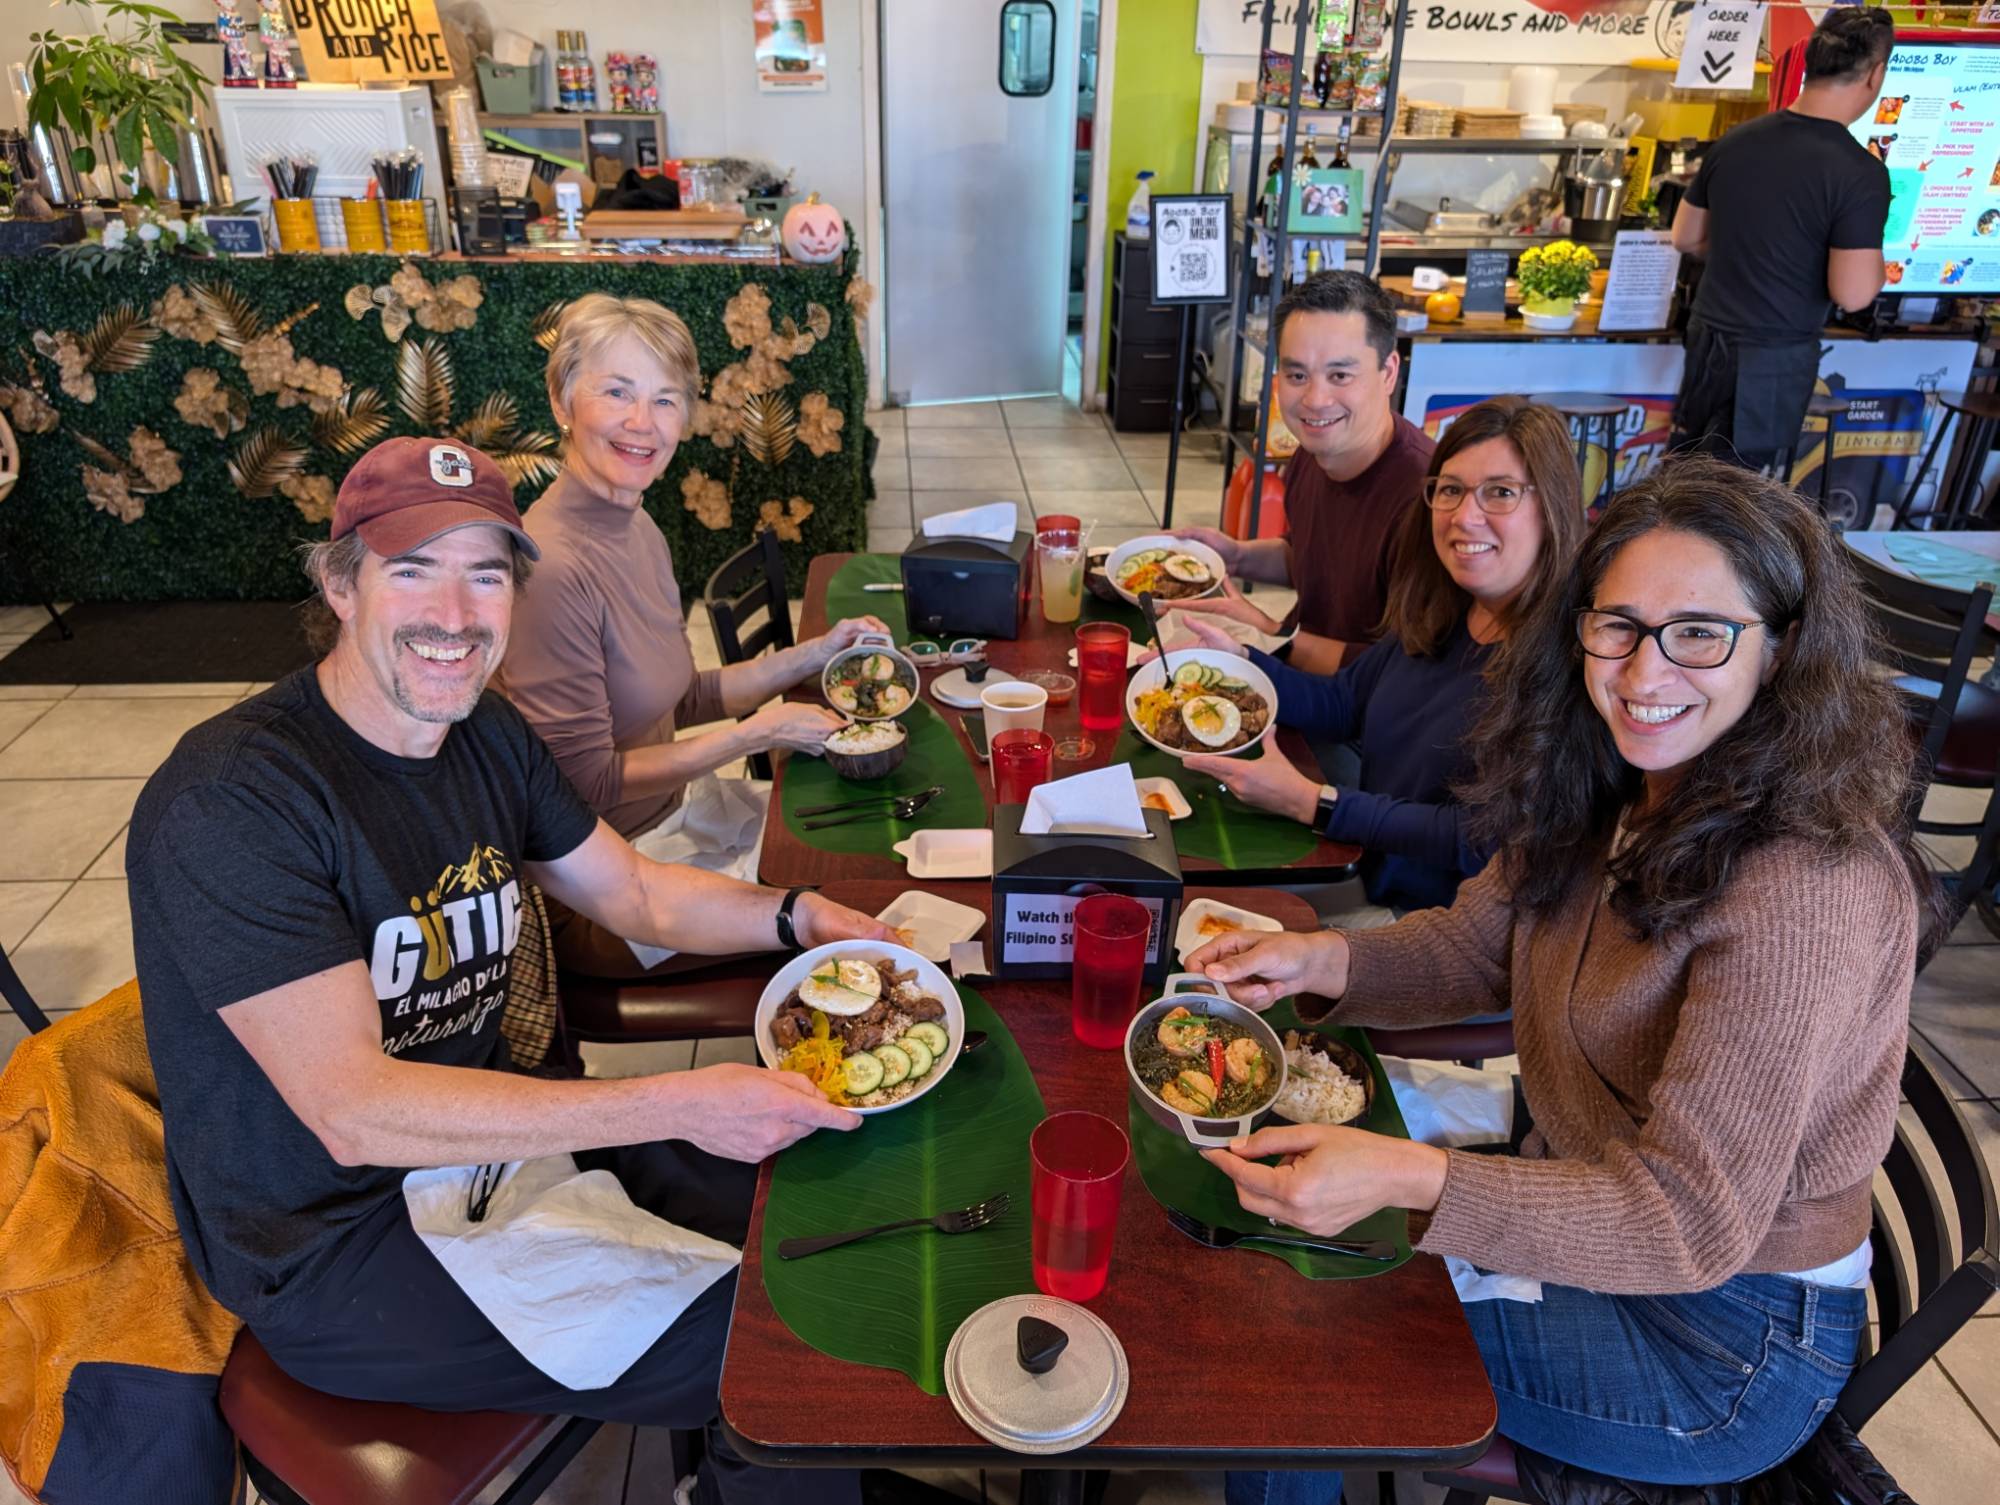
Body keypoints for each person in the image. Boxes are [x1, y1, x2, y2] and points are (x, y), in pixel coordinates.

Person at [126, 436, 890, 1505]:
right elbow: (355, 1110)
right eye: (412, 568)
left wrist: (807, 917)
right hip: (337, 1242)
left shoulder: (484, 728)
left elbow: (635, 893)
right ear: (339, 582)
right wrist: (677, 1101)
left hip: (507, 1144)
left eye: (485, 572)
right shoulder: (234, 800)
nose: (455, 612)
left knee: (833, 1207)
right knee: (780, 1350)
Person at [1194, 457, 1933, 1499]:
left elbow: (1686, 1220)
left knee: (1296, 1337)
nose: (1641, 674)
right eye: (1617, 625)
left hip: (1720, 1340)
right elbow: (1474, 943)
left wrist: (1409, 1176)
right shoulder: (1621, 778)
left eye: (1697, 633)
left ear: (1782, 651)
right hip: (1585, 1207)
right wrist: (1320, 958)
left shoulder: (1804, 887)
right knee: (1273, 1252)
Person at [497, 292, 889, 977]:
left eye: (666, 398)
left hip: (683, 818)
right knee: (859, 907)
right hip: (610, 887)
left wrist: (819, 650)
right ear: (562, 401)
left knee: (869, 840)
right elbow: (589, 782)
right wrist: (757, 733)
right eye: (616, 392)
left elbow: (683, 699)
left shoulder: (638, 522)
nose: (642, 423)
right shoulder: (552, 569)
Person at [1176, 396, 1584, 919]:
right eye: (1451, 490)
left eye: (1500, 493)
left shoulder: (1567, 660)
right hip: (1363, 865)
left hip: (1431, 925)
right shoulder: (1449, 605)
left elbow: (1475, 837)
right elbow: (1344, 703)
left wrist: (1312, 801)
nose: (1465, 516)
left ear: (1551, 506)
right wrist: (1240, 664)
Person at [1173, 269, 1434, 676]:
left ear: (1388, 373)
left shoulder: (1429, 501)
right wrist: (1236, 556)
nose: (1315, 399)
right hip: (1299, 679)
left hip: (1362, 726)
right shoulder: (1312, 454)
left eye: (1340, 375)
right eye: (1297, 375)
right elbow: (1309, 557)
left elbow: (1404, 678)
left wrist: (1270, 635)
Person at [1670, 8, 1894, 474]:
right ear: (1875, 75)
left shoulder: (1736, 141)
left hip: (1708, 342)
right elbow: (1851, 293)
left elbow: (1685, 237)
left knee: (1688, 481)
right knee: (1742, 498)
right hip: (1772, 359)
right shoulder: (1859, 172)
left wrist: (1744, 248)